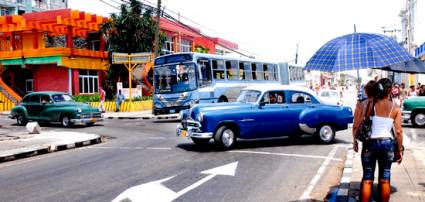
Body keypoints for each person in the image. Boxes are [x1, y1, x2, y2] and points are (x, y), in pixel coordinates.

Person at [354, 78, 403, 202]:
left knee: (368, 179)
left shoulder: (371, 104)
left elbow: (361, 122)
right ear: (390, 90)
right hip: (387, 143)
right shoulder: (395, 108)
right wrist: (400, 150)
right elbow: (398, 132)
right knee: (385, 178)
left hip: (370, 143)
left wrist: (355, 140)